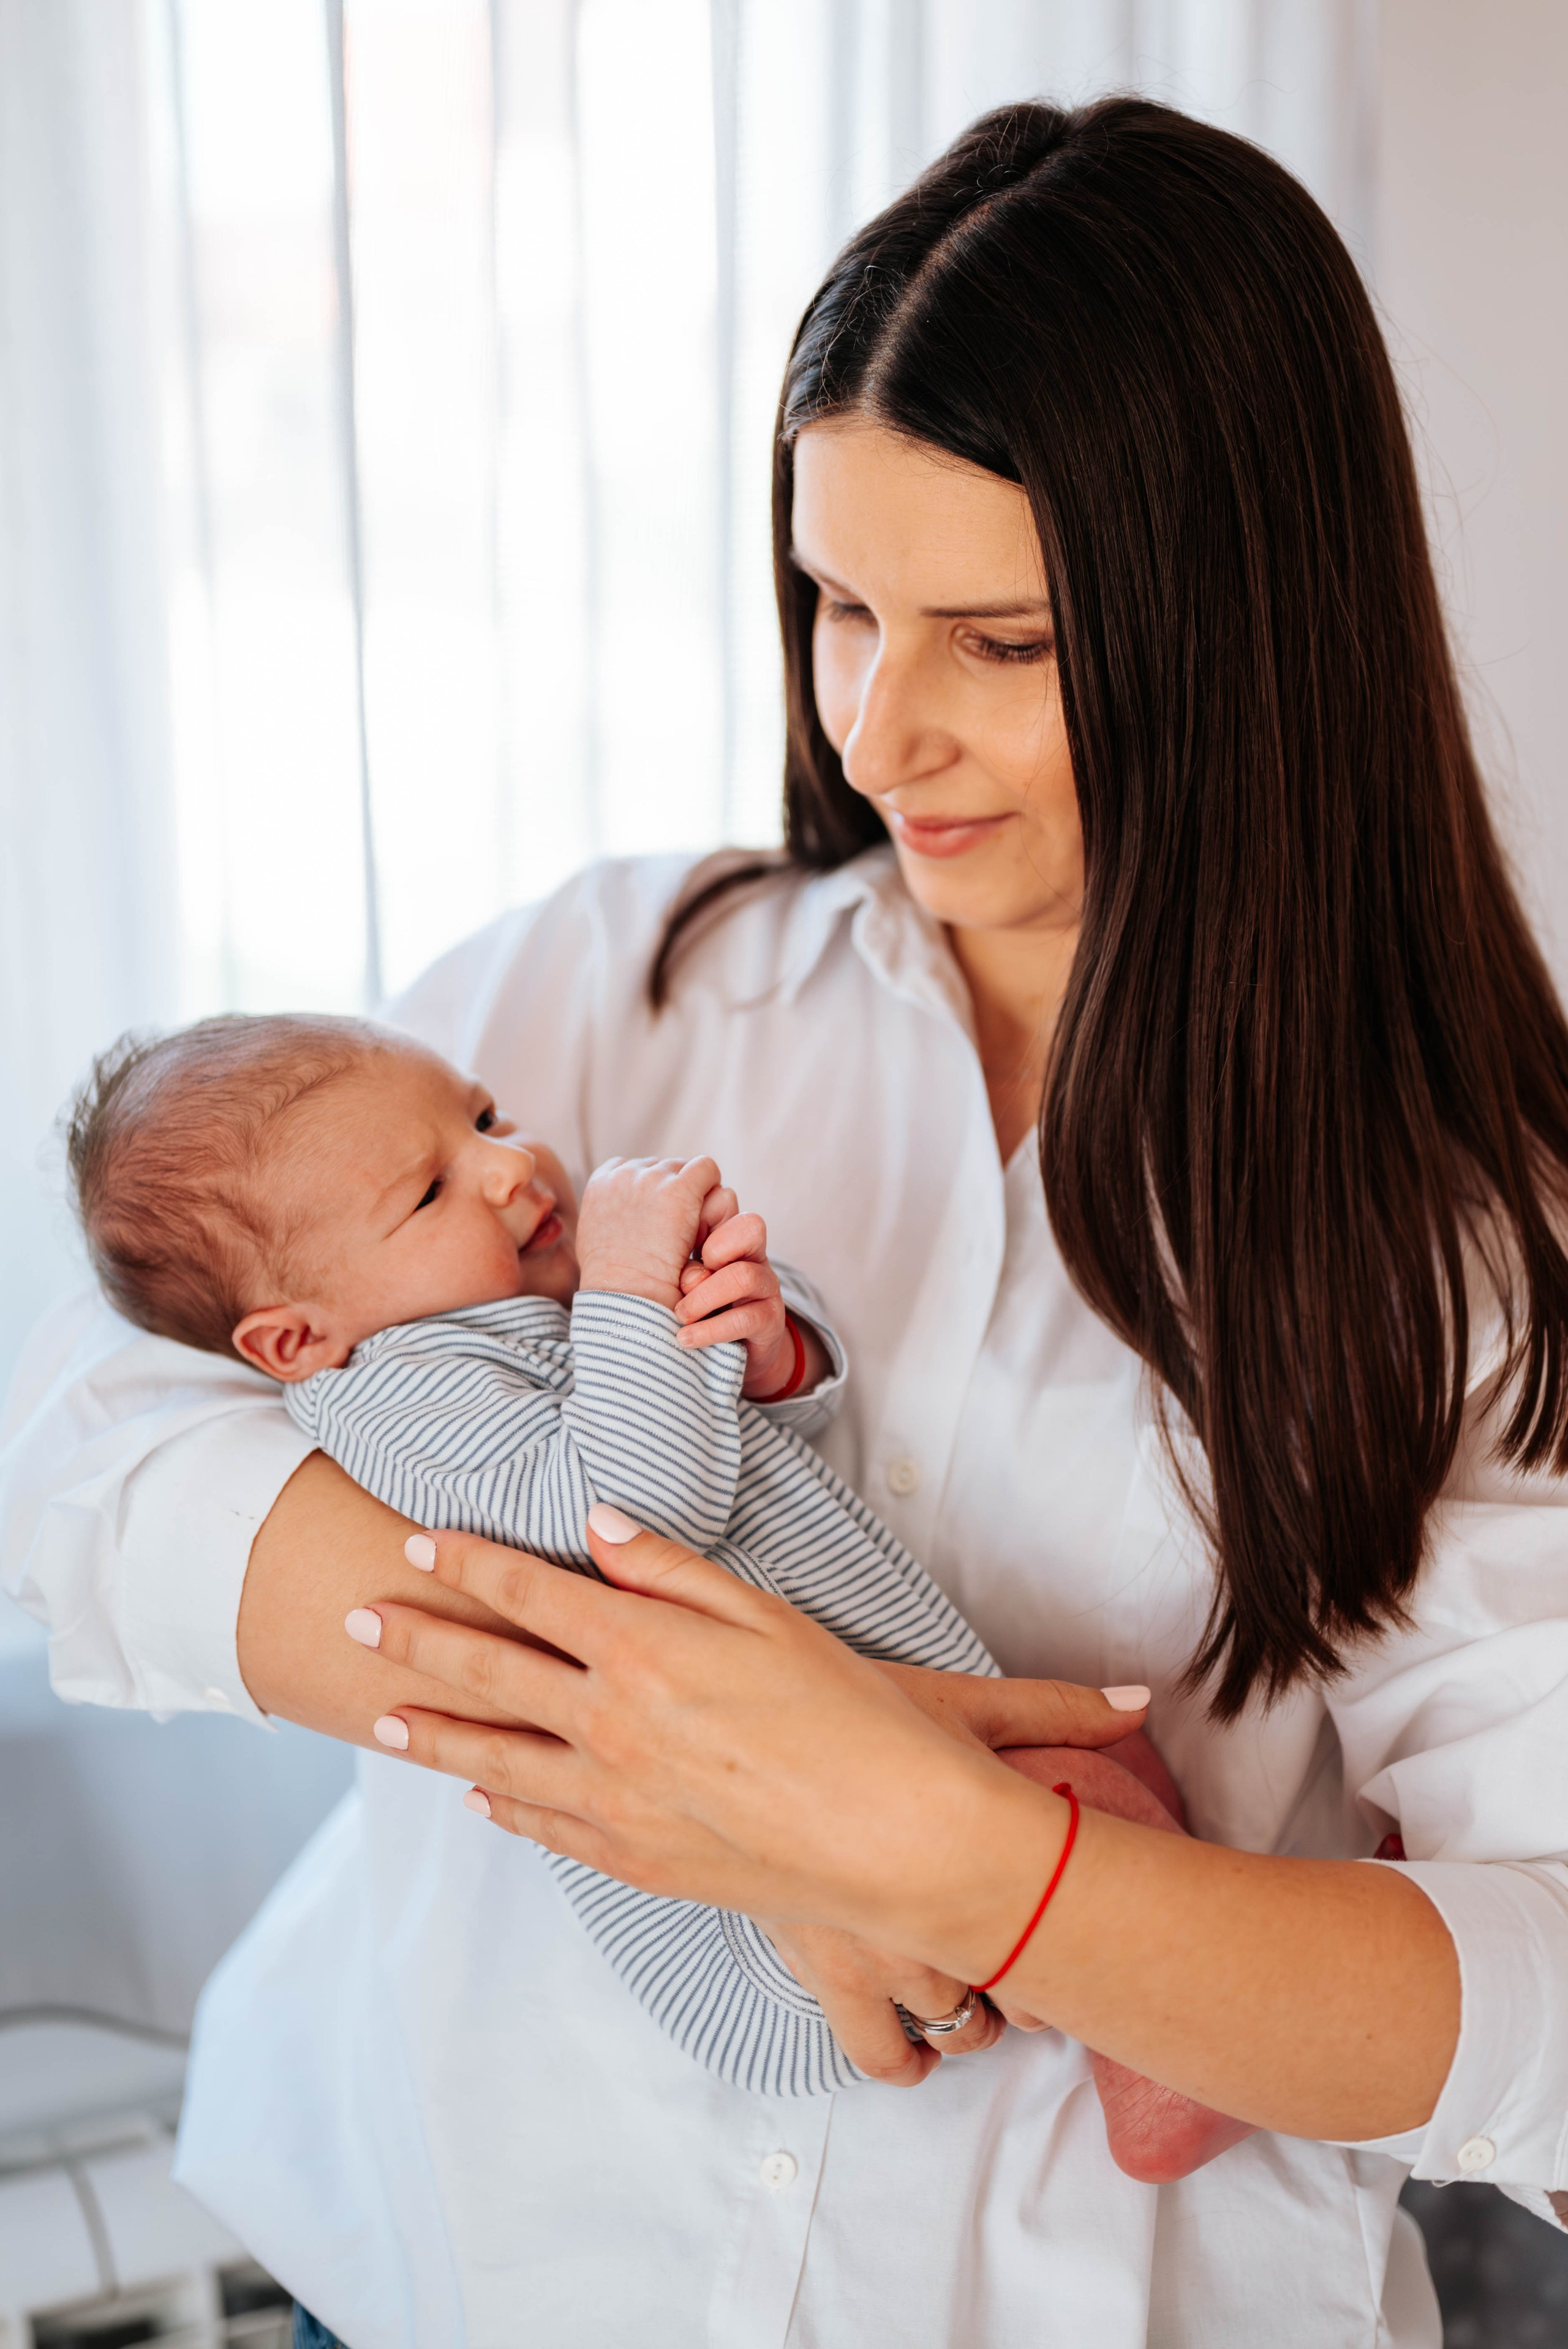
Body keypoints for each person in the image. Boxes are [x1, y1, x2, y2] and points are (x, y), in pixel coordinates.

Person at [5, 93, 1568, 2348]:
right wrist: (684, 1771)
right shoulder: (606, 998)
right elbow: (85, 1445)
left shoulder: (1468, 1239)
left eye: (999, 640)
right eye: (837, 601)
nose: (877, 722)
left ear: (1241, 632)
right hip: (430, 2271)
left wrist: (961, 1867)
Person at [63, 1009, 1233, 2163]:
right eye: (429, 1193)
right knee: (1085, 1799)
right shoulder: (394, 1406)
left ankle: (1235, 1961)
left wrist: (775, 1356)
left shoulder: (524, 1316)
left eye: (485, 1115)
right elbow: (632, 1509)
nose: (511, 1166)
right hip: (742, 1925)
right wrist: (628, 1284)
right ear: (293, 1341)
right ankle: (1176, 2071)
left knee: (1120, 1768)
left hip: (867, 1753)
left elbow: (749, 1452)